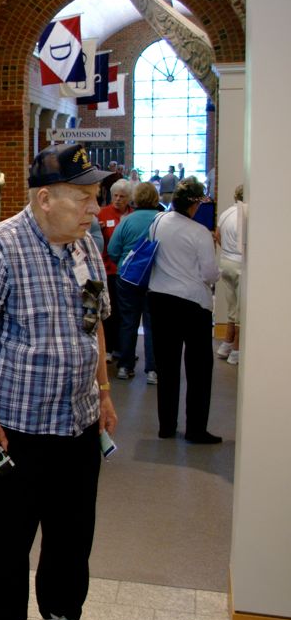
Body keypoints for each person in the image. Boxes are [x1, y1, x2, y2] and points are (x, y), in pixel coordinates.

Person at [0, 143, 116, 620]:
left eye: (97, 197)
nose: (96, 208)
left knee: (73, 531)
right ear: (45, 198)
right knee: (5, 537)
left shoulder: (85, 245)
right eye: (85, 198)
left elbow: (95, 321)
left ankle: (62, 619)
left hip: (79, 420)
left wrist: (106, 395)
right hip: (16, 429)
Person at [147, 178, 221, 444]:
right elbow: (210, 274)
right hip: (193, 304)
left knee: (167, 366)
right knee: (199, 368)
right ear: (194, 204)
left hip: (160, 299)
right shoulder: (199, 232)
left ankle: (166, 426)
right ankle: (195, 429)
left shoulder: (157, 222)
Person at [107, 181, 161, 383]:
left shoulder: (126, 221)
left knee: (127, 321)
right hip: (154, 277)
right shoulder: (161, 220)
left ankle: (124, 366)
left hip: (127, 276)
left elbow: (112, 250)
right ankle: (153, 370)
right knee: (151, 324)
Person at [97, 179, 132, 363]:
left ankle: (121, 348)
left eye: (122, 196)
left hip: (126, 273)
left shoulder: (132, 215)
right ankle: (108, 349)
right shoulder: (102, 214)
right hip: (108, 270)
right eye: (115, 196)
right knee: (109, 312)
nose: (118, 199)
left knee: (123, 313)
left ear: (129, 199)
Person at [215, 184, 246, 365]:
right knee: (240, 309)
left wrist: (226, 250)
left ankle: (225, 344)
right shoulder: (245, 216)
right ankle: (236, 350)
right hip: (239, 264)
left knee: (231, 307)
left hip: (225, 262)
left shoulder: (226, 213)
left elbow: (217, 235)